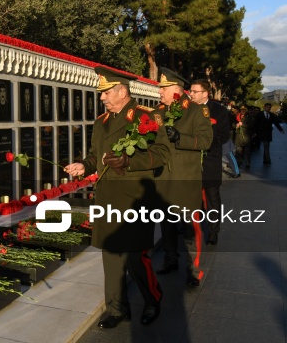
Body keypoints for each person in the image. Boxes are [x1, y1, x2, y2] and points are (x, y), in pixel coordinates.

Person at [64, 66, 169, 328]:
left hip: (135, 197)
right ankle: (116, 308)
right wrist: (84, 166)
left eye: (106, 93)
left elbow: (163, 155)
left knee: (135, 256)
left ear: (122, 91)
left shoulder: (146, 117)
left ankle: (152, 298)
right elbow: (93, 154)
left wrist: (129, 160)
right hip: (108, 196)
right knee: (111, 254)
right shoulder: (101, 122)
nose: (102, 98)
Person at [154, 68, 212, 287]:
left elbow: (206, 140)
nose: (159, 92)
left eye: (163, 88)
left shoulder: (196, 111)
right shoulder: (158, 112)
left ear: (176, 90)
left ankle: (193, 267)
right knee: (167, 223)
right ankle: (171, 259)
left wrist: (181, 138)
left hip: (186, 178)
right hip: (163, 179)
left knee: (190, 226)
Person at [189, 79, 230, 245]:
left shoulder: (218, 110)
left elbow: (224, 134)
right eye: (190, 91)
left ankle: (213, 231)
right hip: (191, 161)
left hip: (210, 159)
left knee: (213, 197)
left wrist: (206, 145)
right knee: (192, 197)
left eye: (194, 91)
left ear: (205, 93)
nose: (190, 94)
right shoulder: (187, 109)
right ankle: (192, 228)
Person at [234, 105, 256, 170]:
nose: (243, 111)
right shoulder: (237, 116)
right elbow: (233, 123)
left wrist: (242, 125)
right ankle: (239, 162)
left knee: (247, 151)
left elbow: (251, 125)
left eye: (244, 110)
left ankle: (247, 163)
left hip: (246, 136)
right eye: (241, 110)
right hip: (238, 136)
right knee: (238, 151)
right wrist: (235, 126)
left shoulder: (250, 117)